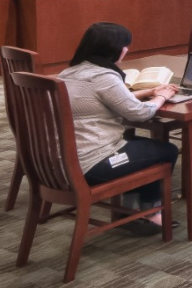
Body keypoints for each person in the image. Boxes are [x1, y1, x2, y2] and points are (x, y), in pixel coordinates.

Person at [58, 22, 179, 232]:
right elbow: (141, 113)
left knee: (142, 148)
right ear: (114, 49)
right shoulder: (104, 77)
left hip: (63, 161)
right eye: (125, 45)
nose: (126, 50)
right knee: (166, 151)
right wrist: (162, 96)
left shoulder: (69, 73)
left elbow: (101, 100)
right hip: (92, 164)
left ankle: (131, 210)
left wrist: (145, 92)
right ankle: (149, 215)